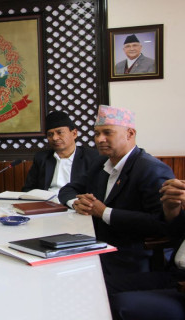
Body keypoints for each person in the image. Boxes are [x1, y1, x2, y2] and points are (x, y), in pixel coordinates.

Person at [58, 105, 174, 275]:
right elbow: (69, 189)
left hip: (131, 259)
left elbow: (159, 224)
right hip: (94, 245)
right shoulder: (101, 163)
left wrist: (104, 212)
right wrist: (76, 203)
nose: (99, 139)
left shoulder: (151, 169)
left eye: (107, 133)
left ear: (130, 134)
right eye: (97, 134)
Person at [106, 179, 185, 320]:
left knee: (120, 304)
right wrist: (171, 209)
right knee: (100, 285)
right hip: (173, 275)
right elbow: (174, 234)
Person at [22, 111, 99, 194]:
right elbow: (28, 189)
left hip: (75, 203)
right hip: (47, 203)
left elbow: (97, 190)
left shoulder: (92, 157)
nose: (54, 138)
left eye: (60, 133)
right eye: (50, 134)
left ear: (74, 133)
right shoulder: (41, 158)